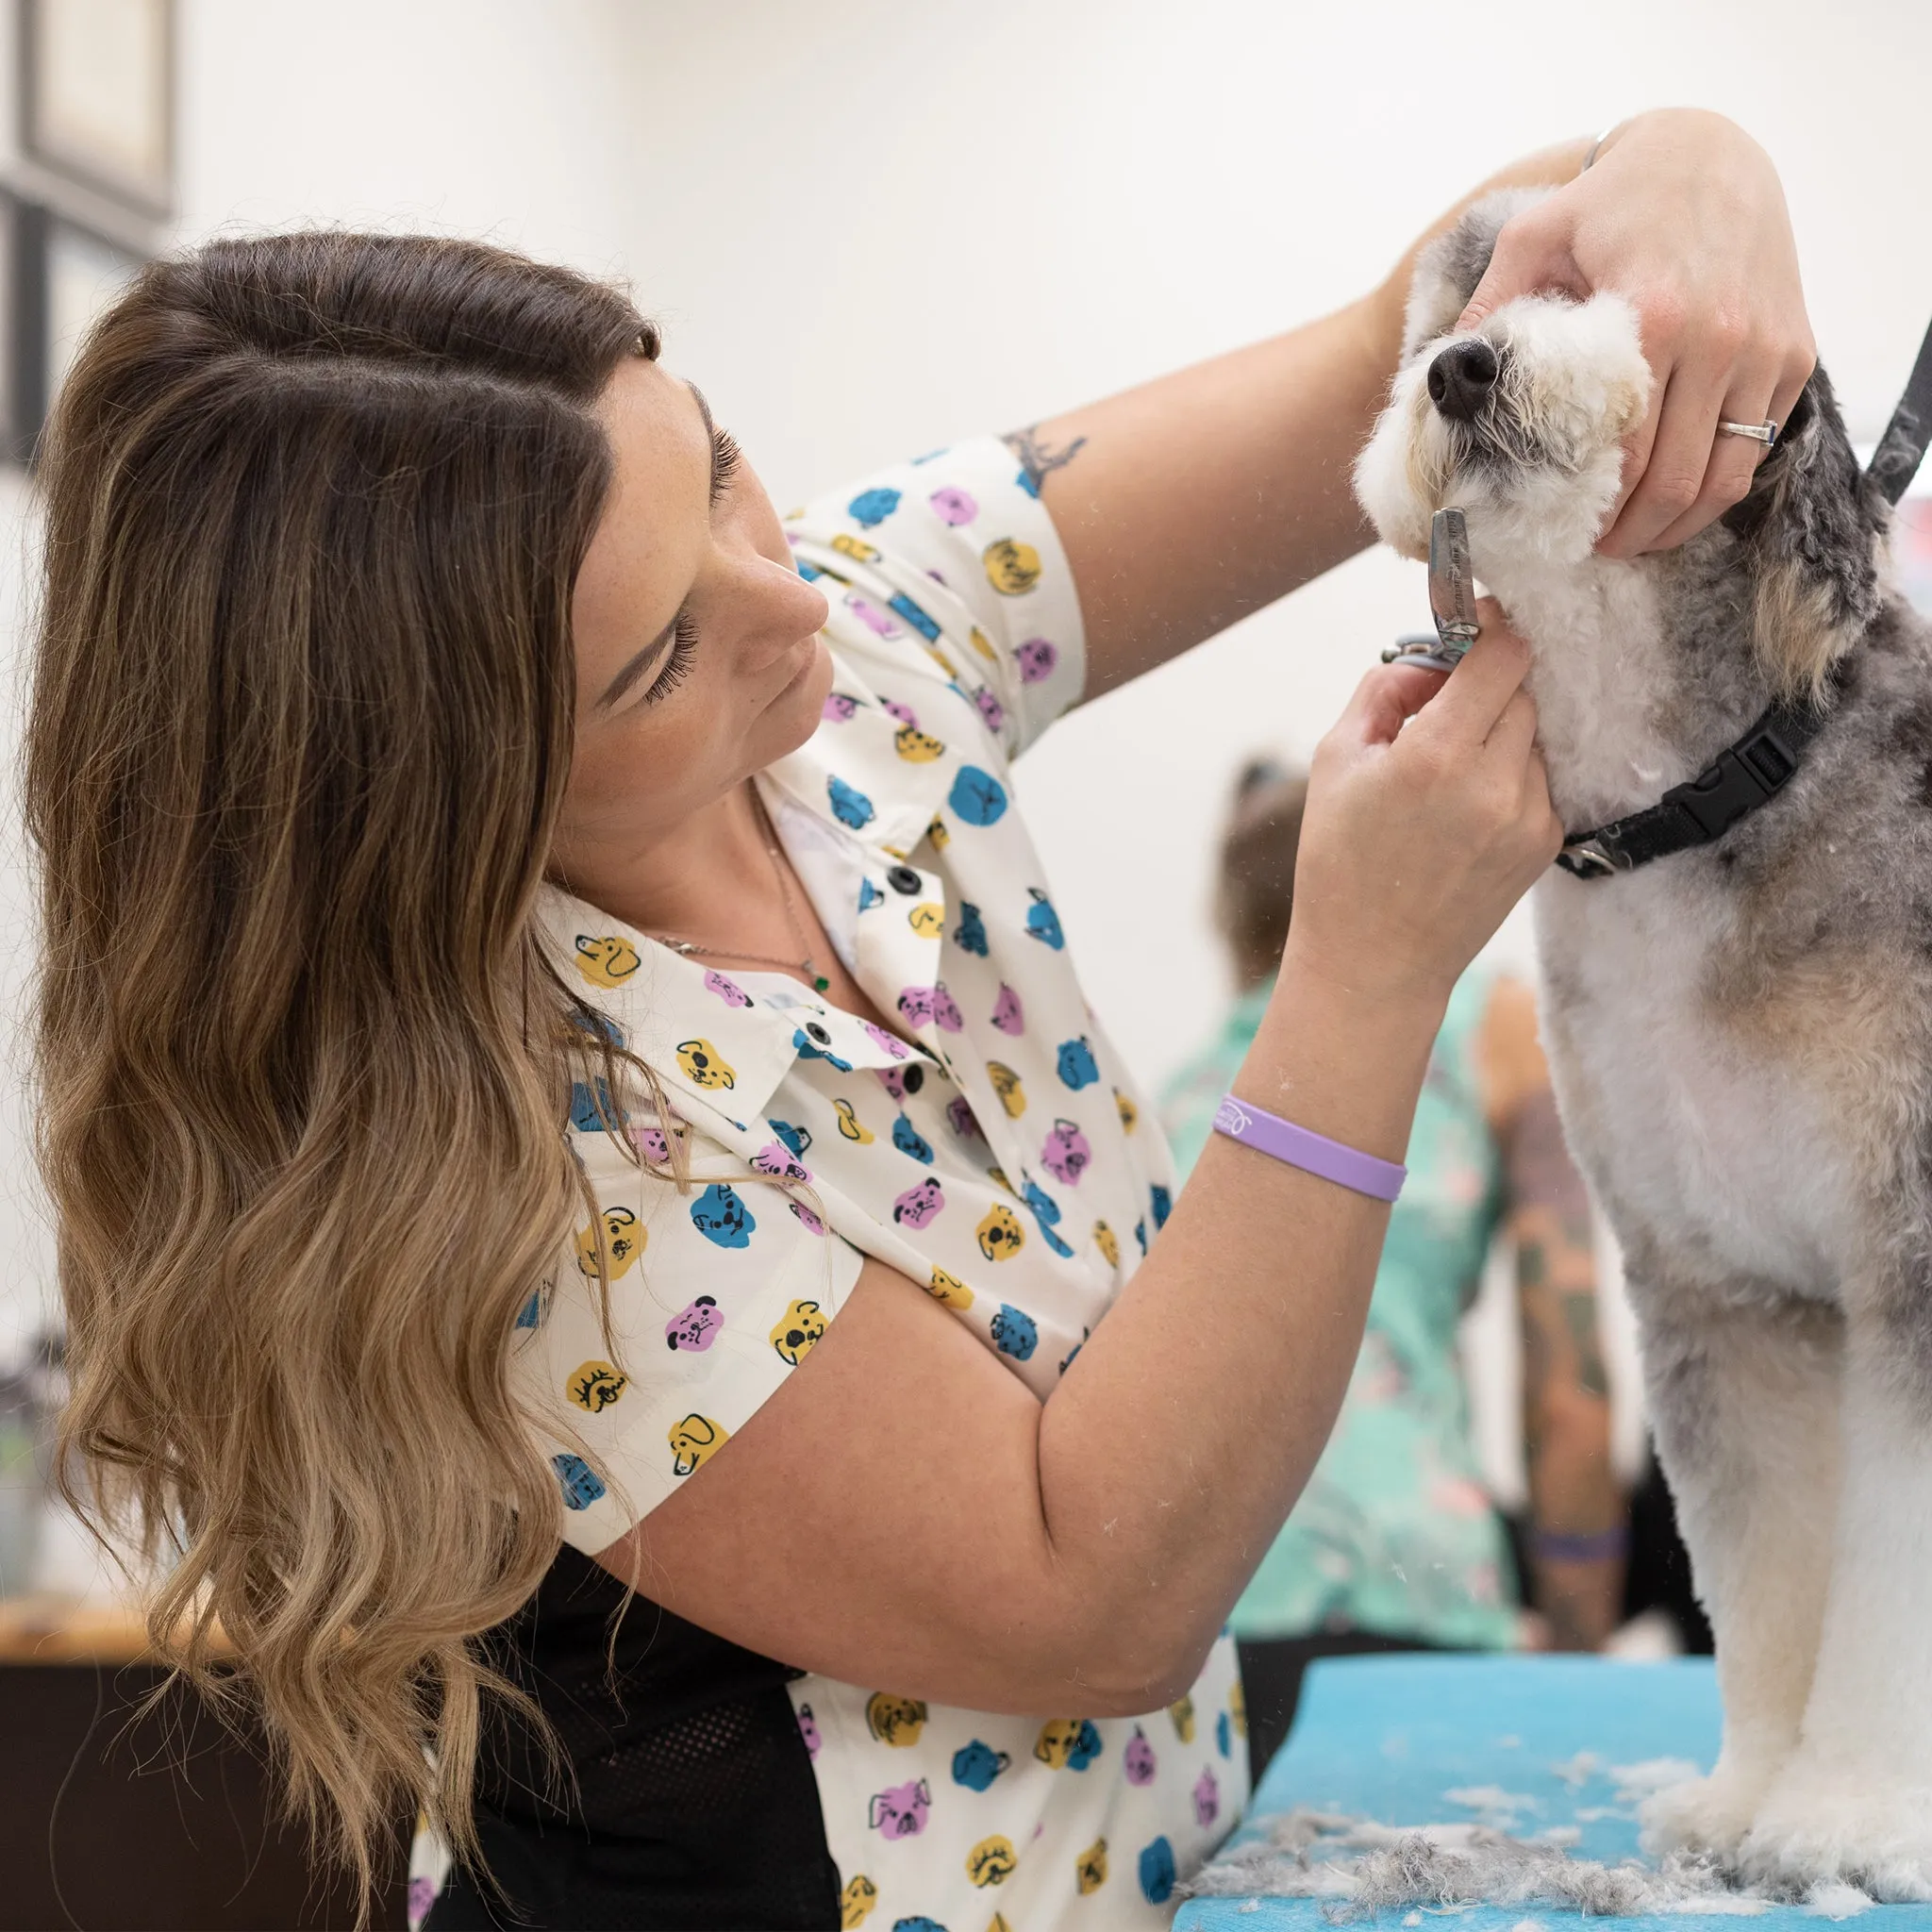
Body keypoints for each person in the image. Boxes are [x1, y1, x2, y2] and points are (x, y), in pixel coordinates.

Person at [25, 110, 1813, 1932]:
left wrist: (1685, 180)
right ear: (437, 801)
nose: (791, 596)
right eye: (656, 657)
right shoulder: (505, 1173)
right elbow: (1089, 1601)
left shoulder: (858, 635)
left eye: (718, 469)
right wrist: (1362, 979)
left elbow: (1403, 323)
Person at [1162, 762, 1624, 1785]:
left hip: (1198, 1634)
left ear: (1227, 924)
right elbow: (1570, 1386)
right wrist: (1581, 1663)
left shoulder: (1167, 1110)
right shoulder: (1493, 1035)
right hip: (1422, 1593)